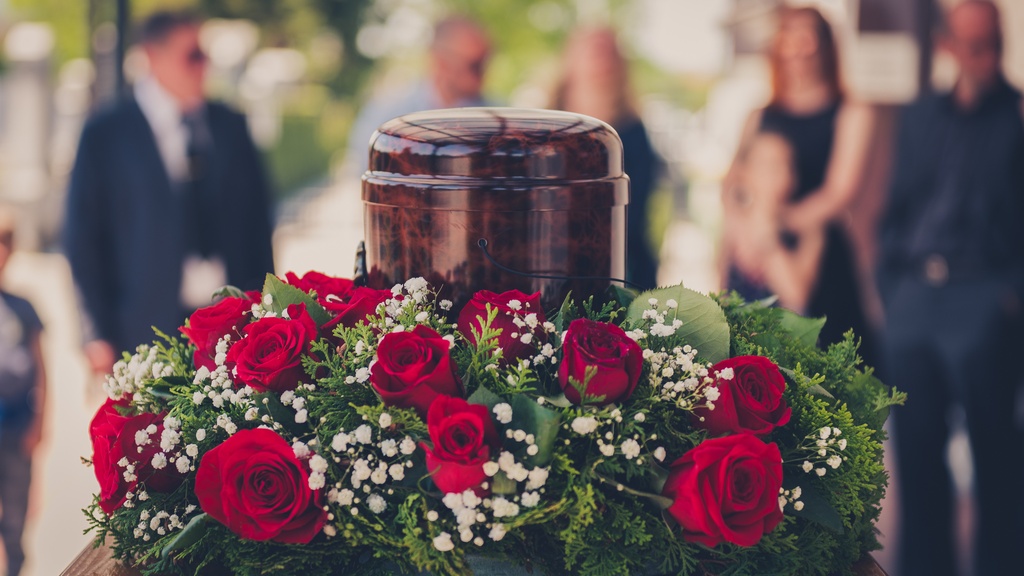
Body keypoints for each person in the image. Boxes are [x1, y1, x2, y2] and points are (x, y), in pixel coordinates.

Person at [877, 2, 1024, 574]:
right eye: (970, 43)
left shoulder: (1016, 117)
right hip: (916, 294)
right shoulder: (921, 116)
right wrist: (891, 287)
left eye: (989, 42)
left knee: (995, 451)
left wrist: (1008, 295)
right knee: (914, 451)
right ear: (948, 46)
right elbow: (899, 205)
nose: (981, 55)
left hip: (984, 297)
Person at [64, 10, 275, 374]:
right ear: (152, 56)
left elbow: (258, 224)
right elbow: (82, 236)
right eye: (192, 55)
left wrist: (268, 311)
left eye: (205, 55)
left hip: (232, 328)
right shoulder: (105, 133)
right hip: (143, 329)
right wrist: (94, 331)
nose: (203, 66)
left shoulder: (230, 125)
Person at [723, 6, 876, 365]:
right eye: (788, 40)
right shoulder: (759, 114)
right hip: (754, 252)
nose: (797, 50)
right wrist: (746, 238)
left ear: (825, 46)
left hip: (816, 250)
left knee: (827, 372)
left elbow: (838, 193)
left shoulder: (852, 110)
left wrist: (770, 230)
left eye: (807, 39)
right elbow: (732, 184)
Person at [553, 27, 660, 290]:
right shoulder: (548, 124)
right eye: (592, 52)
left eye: (607, 53)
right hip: (553, 259)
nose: (599, 61)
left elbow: (634, 209)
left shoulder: (633, 131)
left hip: (622, 262)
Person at [346, 15, 492, 174]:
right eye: (475, 65)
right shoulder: (386, 118)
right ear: (441, 62)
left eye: (486, 61)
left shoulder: (494, 117)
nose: (484, 73)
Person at [721, 131, 824, 313]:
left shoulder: (808, 229)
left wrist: (766, 231)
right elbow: (721, 295)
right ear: (745, 173)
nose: (780, 173)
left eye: (787, 165)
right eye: (769, 165)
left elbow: (795, 298)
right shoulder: (734, 225)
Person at [0, 207, 46, 576]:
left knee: (15, 515)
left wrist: (40, 423)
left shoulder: (23, 306)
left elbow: (41, 370)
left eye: (5, 242)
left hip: (16, 424)